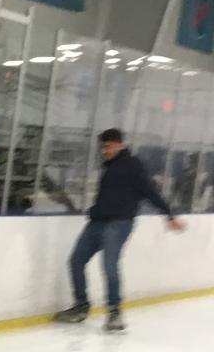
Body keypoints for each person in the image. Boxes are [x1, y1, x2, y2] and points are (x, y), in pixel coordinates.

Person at [54, 128, 185, 333]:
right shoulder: (109, 166)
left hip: (119, 223)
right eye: (102, 147)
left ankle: (115, 313)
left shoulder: (132, 165)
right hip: (97, 222)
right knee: (76, 261)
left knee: (109, 265)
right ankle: (81, 306)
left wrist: (168, 215)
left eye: (108, 147)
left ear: (119, 144)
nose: (104, 151)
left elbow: (150, 192)